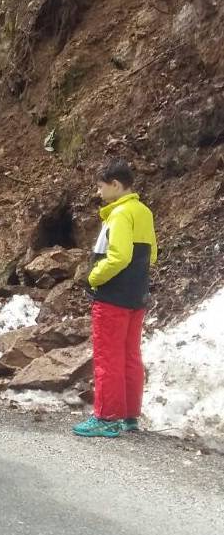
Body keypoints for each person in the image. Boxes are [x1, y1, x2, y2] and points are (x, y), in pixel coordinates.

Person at [73, 160, 158, 438]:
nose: (98, 192)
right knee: (130, 355)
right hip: (137, 295)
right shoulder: (143, 212)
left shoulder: (120, 214)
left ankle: (107, 417)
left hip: (113, 296)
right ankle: (130, 416)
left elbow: (119, 256)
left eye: (100, 186)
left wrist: (94, 276)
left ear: (116, 185)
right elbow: (152, 255)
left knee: (108, 356)